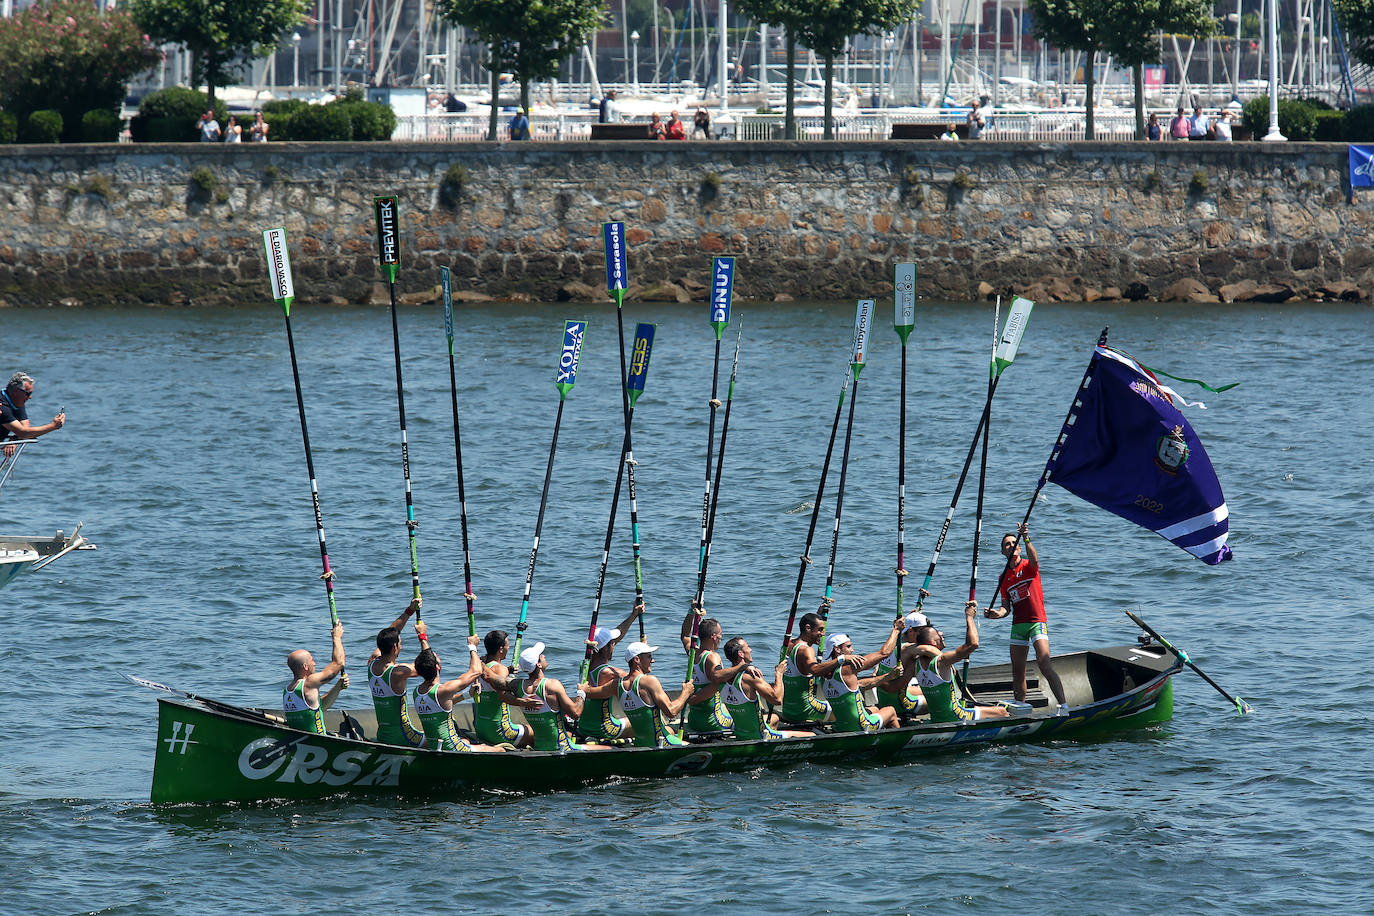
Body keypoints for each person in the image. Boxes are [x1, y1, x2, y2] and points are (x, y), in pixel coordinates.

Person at [985, 523, 1069, 712]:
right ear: (1002, 552)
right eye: (1007, 544)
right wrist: (996, 615)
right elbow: (1006, 608)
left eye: (1014, 542)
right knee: (1018, 670)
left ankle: (1064, 705)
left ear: (1019, 547)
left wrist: (1026, 537)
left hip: (1036, 622)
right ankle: (1021, 707)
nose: (1011, 545)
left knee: (1043, 662)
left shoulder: (1028, 566)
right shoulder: (1003, 577)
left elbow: (1034, 558)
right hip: (1018, 625)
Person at [899, 601, 1011, 722]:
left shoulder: (914, 665)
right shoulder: (942, 661)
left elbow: (897, 685)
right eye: (937, 633)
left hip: (937, 718)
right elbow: (973, 644)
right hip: (957, 716)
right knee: (1001, 711)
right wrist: (969, 617)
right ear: (933, 643)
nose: (941, 633)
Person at [411, 637, 507, 752]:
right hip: (453, 748)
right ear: (438, 667)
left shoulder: (417, 692)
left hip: (434, 745)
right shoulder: (444, 690)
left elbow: (443, 704)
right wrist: (472, 647)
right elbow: (476, 672)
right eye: (437, 657)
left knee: (466, 740)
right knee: (500, 750)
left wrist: (467, 695)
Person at [514, 642, 605, 752]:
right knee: (609, 748)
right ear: (538, 664)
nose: (544, 656)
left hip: (539, 747)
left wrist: (519, 700)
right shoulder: (552, 685)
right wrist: (582, 692)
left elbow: (498, 683)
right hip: (563, 747)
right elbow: (576, 713)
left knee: (570, 732)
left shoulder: (517, 685)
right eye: (541, 655)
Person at [719, 637, 814, 740]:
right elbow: (777, 700)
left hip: (740, 733)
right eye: (748, 647)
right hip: (759, 736)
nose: (751, 650)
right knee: (812, 735)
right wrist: (779, 673)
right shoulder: (750, 677)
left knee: (775, 718)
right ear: (741, 654)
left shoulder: (722, 678)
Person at [578, 599, 646, 740]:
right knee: (646, 723)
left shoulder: (584, 665)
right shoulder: (610, 673)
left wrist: (633, 615)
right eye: (612, 643)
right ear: (605, 648)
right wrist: (643, 654)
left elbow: (616, 635)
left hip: (584, 725)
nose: (615, 644)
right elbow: (641, 680)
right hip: (604, 729)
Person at [366, 597, 427, 746]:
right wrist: (422, 636)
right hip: (405, 736)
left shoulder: (371, 663)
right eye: (400, 644)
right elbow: (431, 665)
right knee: (445, 740)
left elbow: (391, 633)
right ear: (395, 648)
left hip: (383, 734)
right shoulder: (398, 673)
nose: (402, 647)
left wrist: (410, 610)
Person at [779, 611, 858, 725]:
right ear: (808, 628)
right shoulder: (806, 650)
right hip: (806, 710)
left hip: (788, 710)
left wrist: (819, 614)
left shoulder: (788, 644)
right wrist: (842, 659)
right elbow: (815, 670)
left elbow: (808, 629)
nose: (823, 633)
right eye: (820, 629)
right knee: (845, 709)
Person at [820, 626, 902, 733]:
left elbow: (860, 684)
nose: (852, 650)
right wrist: (896, 630)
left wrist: (888, 677)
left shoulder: (823, 672)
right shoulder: (848, 668)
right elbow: (884, 653)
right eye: (848, 647)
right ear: (837, 649)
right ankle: (899, 741)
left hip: (841, 726)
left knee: (874, 709)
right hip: (861, 725)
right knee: (890, 710)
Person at [684, 617, 756, 734]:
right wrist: (742, 667)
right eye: (720, 634)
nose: (721, 637)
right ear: (714, 636)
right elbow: (717, 675)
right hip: (713, 723)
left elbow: (685, 636)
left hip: (693, 720)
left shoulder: (693, 652)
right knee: (746, 719)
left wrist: (691, 612)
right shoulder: (712, 657)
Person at [472, 628, 539, 748]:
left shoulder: (478, 664)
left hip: (480, 727)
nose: (509, 648)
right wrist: (523, 702)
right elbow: (502, 695)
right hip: (500, 731)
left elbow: (491, 679)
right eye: (508, 645)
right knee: (537, 731)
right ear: (501, 649)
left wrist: (508, 670)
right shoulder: (499, 668)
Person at [620, 641, 693, 747]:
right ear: (637, 660)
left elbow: (590, 691)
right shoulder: (650, 681)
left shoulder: (617, 684)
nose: (653, 660)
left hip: (640, 743)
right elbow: (671, 712)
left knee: (669, 730)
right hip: (660, 743)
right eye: (649, 657)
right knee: (693, 747)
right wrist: (686, 692)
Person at [283, 622, 349, 734]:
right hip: (319, 740)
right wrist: (336, 638)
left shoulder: (287, 690)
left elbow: (319, 708)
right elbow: (338, 663)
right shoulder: (309, 683)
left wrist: (338, 687)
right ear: (305, 666)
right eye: (311, 660)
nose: (315, 663)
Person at [869, 610, 929, 720]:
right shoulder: (908, 649)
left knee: (918, 689)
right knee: (937, 697)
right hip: (900, 704)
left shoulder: (891, 643)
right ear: (911, 631)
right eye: (924, 631)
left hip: (883, 698)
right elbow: (928, 649)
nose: (927, 635)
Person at [1, 373, 65, 449]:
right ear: (16, 392)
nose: (30, 397)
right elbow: (23, 432)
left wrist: (15, 439)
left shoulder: (16, 401)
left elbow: (25, 428)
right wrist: (53, 426)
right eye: (28, 394)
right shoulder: (2, 406)